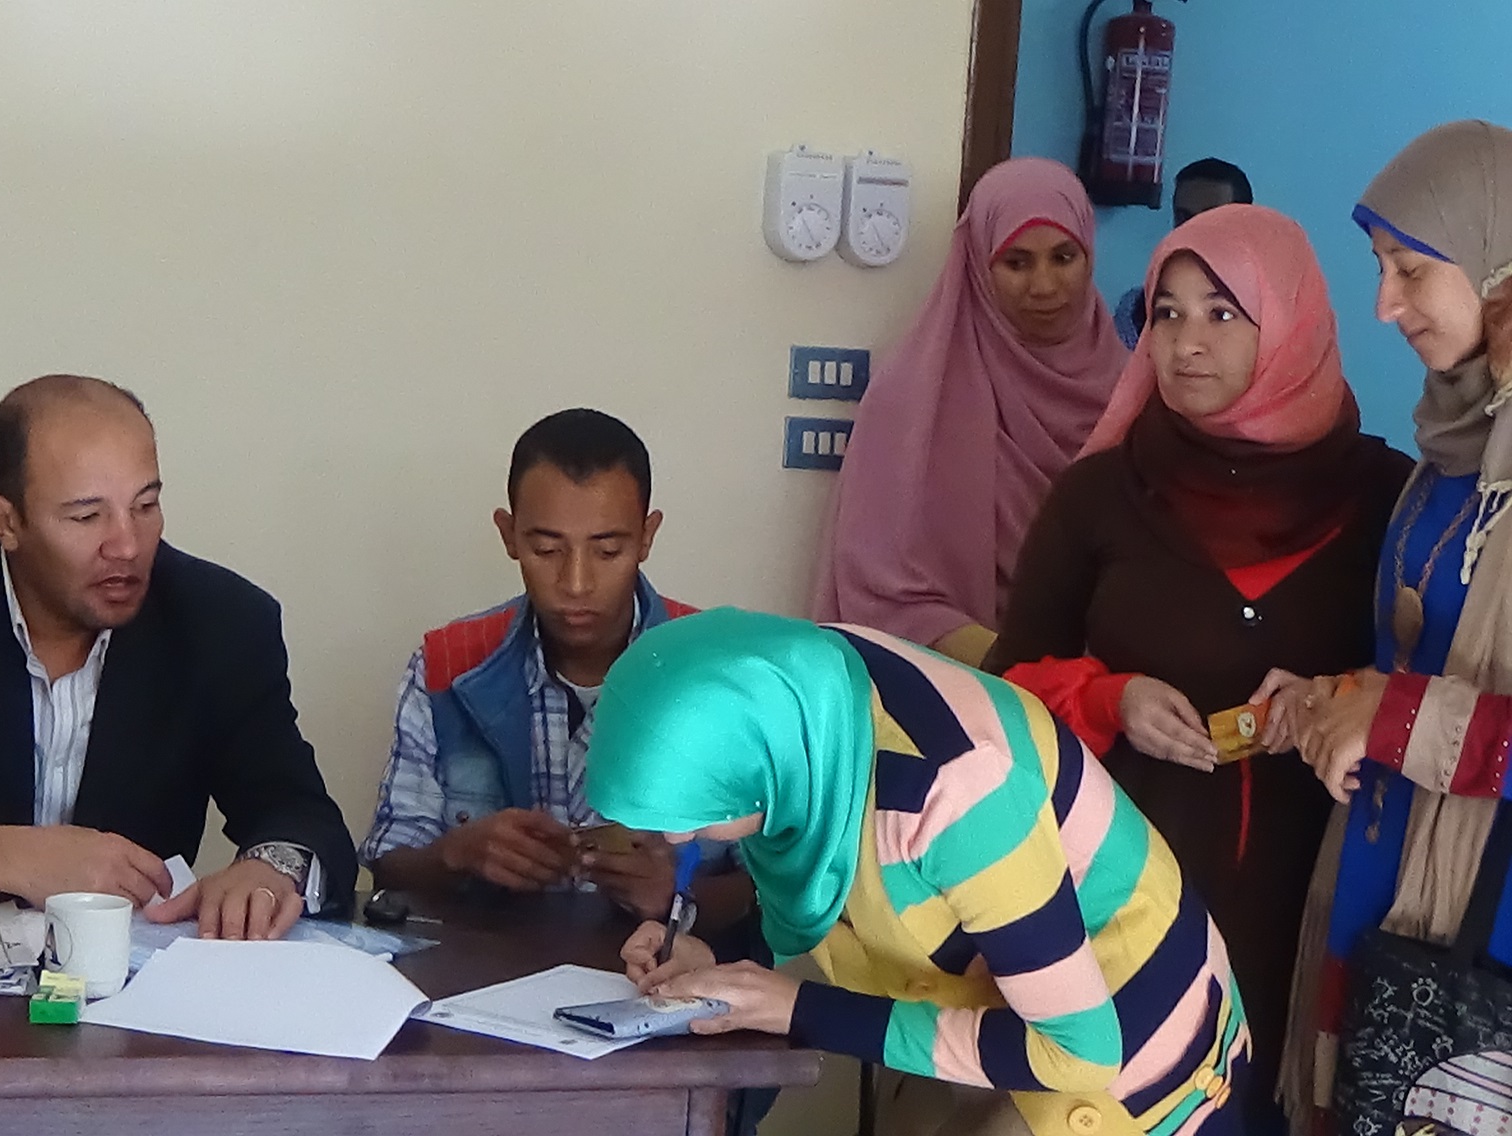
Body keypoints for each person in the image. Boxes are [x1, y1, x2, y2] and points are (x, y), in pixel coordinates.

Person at [986, 205, 1412, 1134]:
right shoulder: (1100, 495)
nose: (1185, 343)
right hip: (1124, 897)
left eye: (1222, 313)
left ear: (1290, 321)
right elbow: (999, 696)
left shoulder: (1387, 499)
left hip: (1316, 895)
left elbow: (1423, 686)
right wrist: (1109, 697)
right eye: (1167, 313)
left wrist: (1333, 699)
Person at [586, 609, 1249, 1136]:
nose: (676, 839)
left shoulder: (954, 793)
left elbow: (1079, 1054)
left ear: (767, 759)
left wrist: (797, 1008)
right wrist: (720, 958)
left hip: (1128, 1061)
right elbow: (831, 894)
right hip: (995, 1016)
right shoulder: (802, 701)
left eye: (697, 816)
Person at [0, 374, 356, 939]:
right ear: (5, 521)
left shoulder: (221, 622)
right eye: (86, 516)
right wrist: (8, 855)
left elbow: (302, 815)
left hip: (130, 988)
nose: (126, 545)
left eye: (146, 505)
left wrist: (271, 868)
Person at [1273, 119, 1512, 1135]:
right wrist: (1334, 702)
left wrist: (1395, 715)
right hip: (1385, 881)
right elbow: (1414, 667)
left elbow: (1415, 705)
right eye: (1379, 268)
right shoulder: (1450, 456)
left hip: (1486, 933)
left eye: (1411, 270)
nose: (1383, 304)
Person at [360, 409, 753, 930]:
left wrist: (678, 896)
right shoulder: (447, 667)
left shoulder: (723, 676)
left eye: (608, 550)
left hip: (674, 974)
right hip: (489, 968)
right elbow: (388, 863)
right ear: (509, 535)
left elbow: (778, 889)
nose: (576, 583)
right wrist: (457, 855)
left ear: (647, 535)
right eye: (546, 549)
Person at [810, 157, 1130, 667]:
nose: (1044, 286)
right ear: (978, 266)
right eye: (1016, 263)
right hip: (956, 685)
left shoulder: (1134, 396)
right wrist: (1020, 673)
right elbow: (881, 589)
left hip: (1112, 692)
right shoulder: (914, 400)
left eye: (1063, 257)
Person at [1113, 159, 1255, 349]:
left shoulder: (1265, 315)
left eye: (1211, 220)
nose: (1192, 231)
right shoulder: (1138, 313)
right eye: (1184, 217)